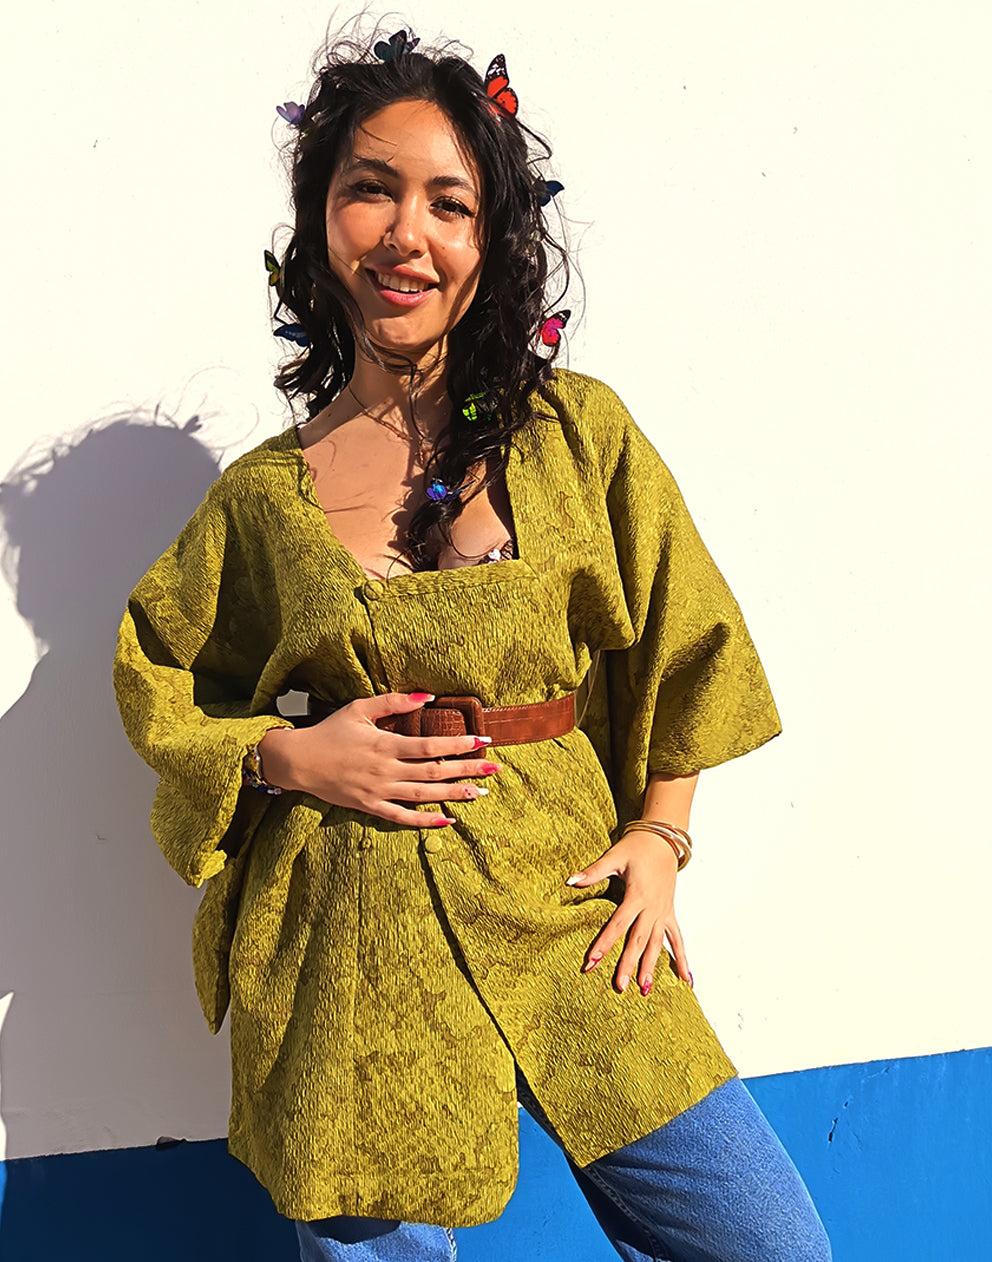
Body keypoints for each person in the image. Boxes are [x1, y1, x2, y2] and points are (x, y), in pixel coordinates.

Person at [114, 26, 831, 1262]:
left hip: (569, 903)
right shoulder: (257, 501)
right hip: (348, 938)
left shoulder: (575, 436)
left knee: (767, 1244)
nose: (406, 233)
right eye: (369, 189)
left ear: (491, 239)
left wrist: (660, 836)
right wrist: (287, 759)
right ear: (320, 218)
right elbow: (163, 680)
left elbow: (687, 639)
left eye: (448, 202)